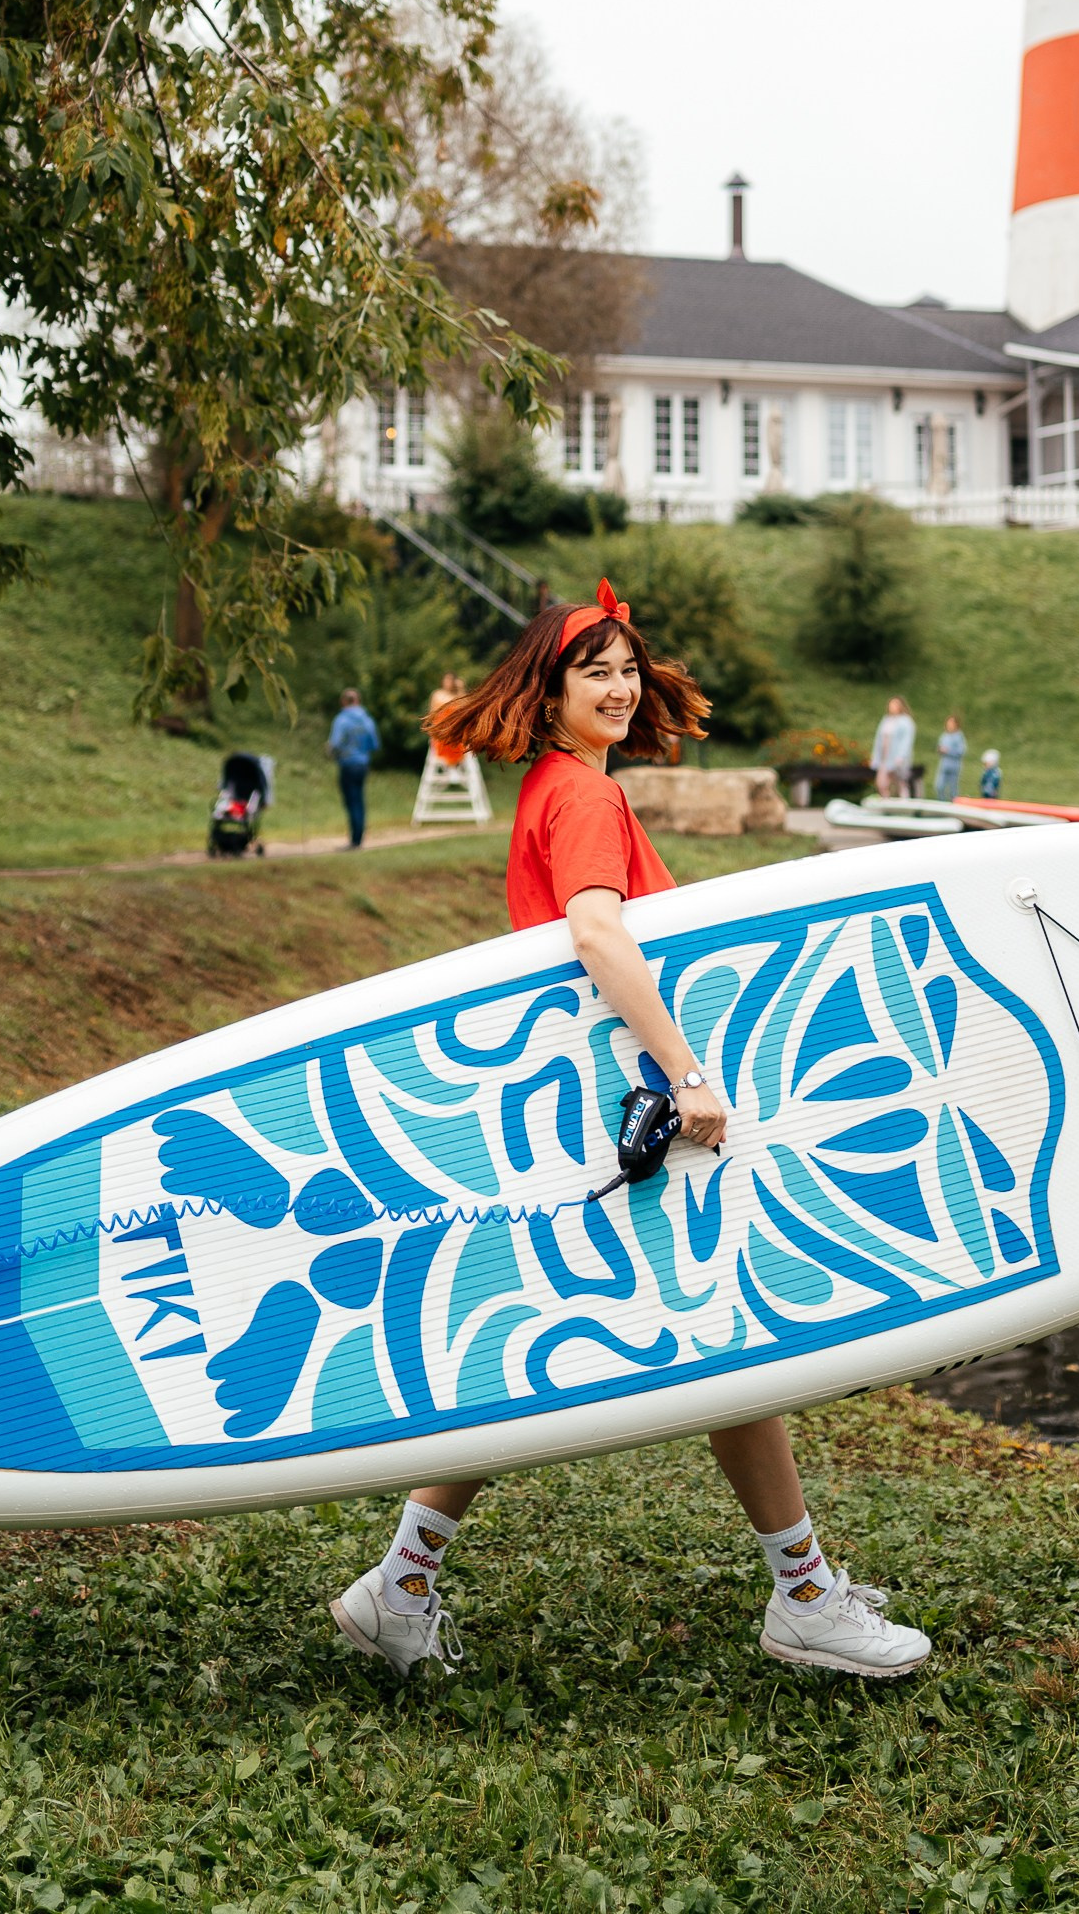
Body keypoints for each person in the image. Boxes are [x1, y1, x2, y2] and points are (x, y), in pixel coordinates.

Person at [329, 577, 931, 1687]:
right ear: (547, 693)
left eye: (624, 667)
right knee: (733, 1350)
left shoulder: (556, 788)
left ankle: (397, 1588)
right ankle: (802, 1598)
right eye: (590, 670)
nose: (616, 685)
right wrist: (688, 1073)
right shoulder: (585, 800)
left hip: (587, 1115)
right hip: (630, 1115)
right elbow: (598, 938)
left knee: (620, 1351)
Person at [325, 688, 380, 848]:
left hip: (348, 765)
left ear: (343, 702)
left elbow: (335, 744)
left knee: (351, 801)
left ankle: (355, 840)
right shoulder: (367, 720)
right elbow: (374, 744)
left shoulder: (341, 720)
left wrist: (330, 752)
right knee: (360, 800)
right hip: (363, 764)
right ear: (358, 701)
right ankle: (359, 837)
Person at [870, 694, 916, 799]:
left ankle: (905, 804)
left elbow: (906, 741)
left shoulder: (906, 721)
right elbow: (878, 739)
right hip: (884, 758)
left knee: (900, 783)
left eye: (895, 705)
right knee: (881, 783)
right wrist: (875, 756)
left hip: (897, 758)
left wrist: (901, 756)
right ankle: (886, 802)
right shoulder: (886, 720)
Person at [934, 713, 967, 801]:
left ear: (956, 725)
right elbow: (940, 747)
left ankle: (954, 806)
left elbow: (961, 751)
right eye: (948, 723)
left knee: (953, 789)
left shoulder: (959, 736)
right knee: (939, 786)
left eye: (952, 723)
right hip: (944, 765)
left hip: (954, 766)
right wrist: (940, 750)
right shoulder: (944, 735)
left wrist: (948, 751)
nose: (950, 725)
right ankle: (942, 803)